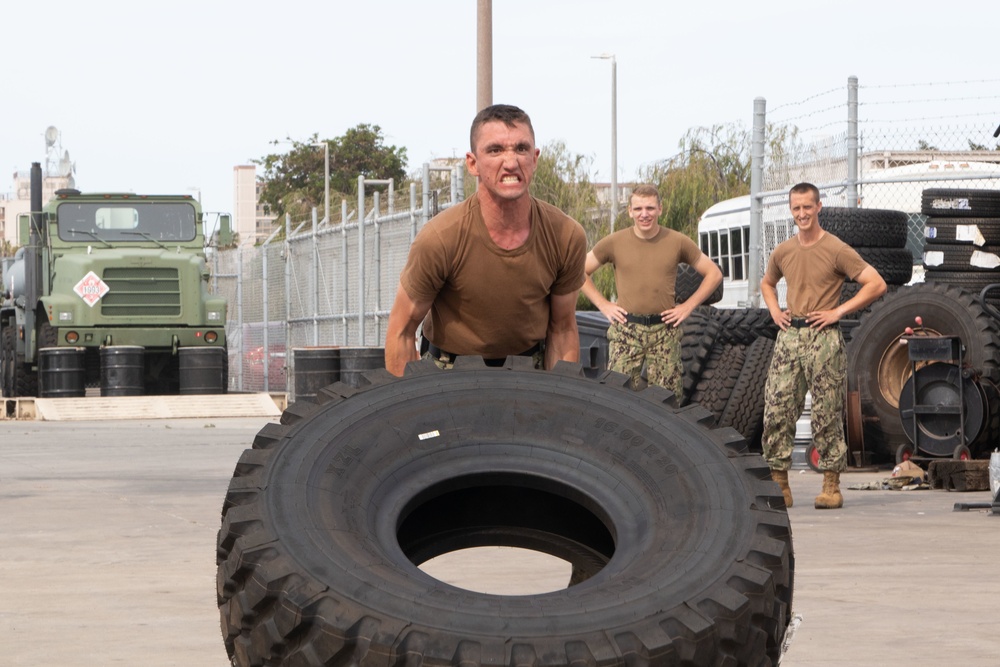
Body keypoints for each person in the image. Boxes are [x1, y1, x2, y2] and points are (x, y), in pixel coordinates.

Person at [385, 104, 587, 376]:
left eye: (521, 149)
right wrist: (407, 412)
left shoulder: (565, 236)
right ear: (472, 163)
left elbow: (562, 330)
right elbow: (402, 331)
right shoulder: (440, 239)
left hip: (528, 372)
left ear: (535, 158)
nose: (511, 162)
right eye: (495, 150)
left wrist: (560, 405)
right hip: (450, 373)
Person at [760, 182, 887, 510]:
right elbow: (767, 282)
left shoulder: (836, 248)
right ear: (791, 210)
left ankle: (831, 484)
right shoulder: (784, 251)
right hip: (790, 336)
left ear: (819, 207)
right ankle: (779, 483)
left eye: (807, 207)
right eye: (796, 208)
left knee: (826, 411)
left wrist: (838, 311)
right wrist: (775, 310)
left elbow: (876, 283)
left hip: (823, 337)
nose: (802, 213)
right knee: (777, 409)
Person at [580, 184, 723, 396]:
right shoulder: (614, 242)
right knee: (617, 396)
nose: (644, 214)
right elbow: (578, 272)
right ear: (629, 211)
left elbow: (714, 274)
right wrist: (604, 305)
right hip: (626, 331)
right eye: (638, 209)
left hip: (664, 331)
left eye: (649, 208)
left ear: (660, 209)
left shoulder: (677, 241)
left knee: (666, 400)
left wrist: (687, 307)